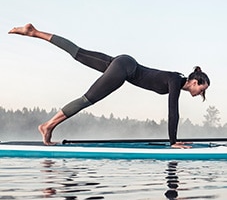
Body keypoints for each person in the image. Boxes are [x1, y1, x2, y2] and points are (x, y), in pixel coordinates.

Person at [9, 23, 210, 147]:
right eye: (201, 89)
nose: (200, 94)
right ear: (194, 81)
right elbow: (173, 111)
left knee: (78, 53)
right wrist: (173, 142)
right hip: (125, 69)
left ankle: (33, 32)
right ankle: (47, 125)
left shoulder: (176, 78)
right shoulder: (176, 80)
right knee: (87, 99)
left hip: (124, 62)